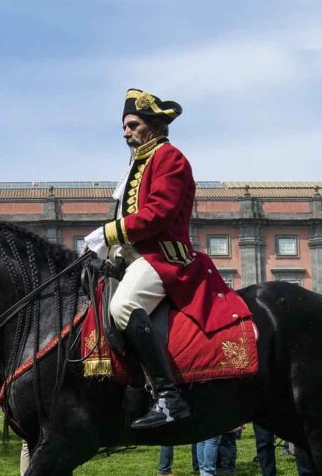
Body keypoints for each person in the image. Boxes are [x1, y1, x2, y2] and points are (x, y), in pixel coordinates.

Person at [82, 88, 247, 430]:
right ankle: (130, 389)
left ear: (153, 125)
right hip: (137, 258)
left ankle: (169, 397)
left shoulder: (169, 159)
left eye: (132, 124)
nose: (125, 132)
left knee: (122, 306)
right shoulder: (138, 164)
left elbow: (159, 214)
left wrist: (108, 233)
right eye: (125, 126)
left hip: (165, 258)